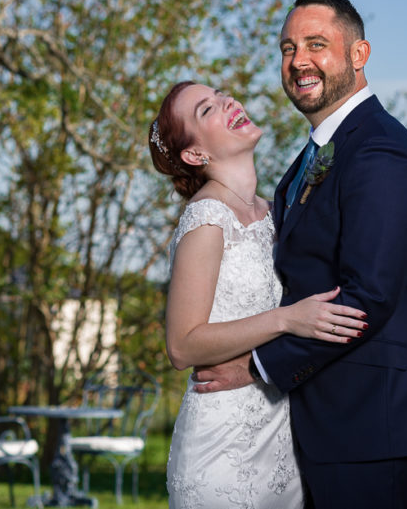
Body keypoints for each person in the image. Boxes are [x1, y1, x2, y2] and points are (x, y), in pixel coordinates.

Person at [192, 0, 407, 508]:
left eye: (316, 45)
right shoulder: (315, 156)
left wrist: (255, 366)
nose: (298, 60)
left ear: (359, 54)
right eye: (287, 47)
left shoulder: (381, 150)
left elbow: (367, 298)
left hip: (379, 420)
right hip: (334, 419)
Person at [149, 81, 369, 509]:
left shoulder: (278, 212)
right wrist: (286, 320)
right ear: (195, 155)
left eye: (221, 94)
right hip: (221, 450)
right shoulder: (206, 219)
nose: (228, 101)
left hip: (284, 442)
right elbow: (181, 345)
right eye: (206, 109)